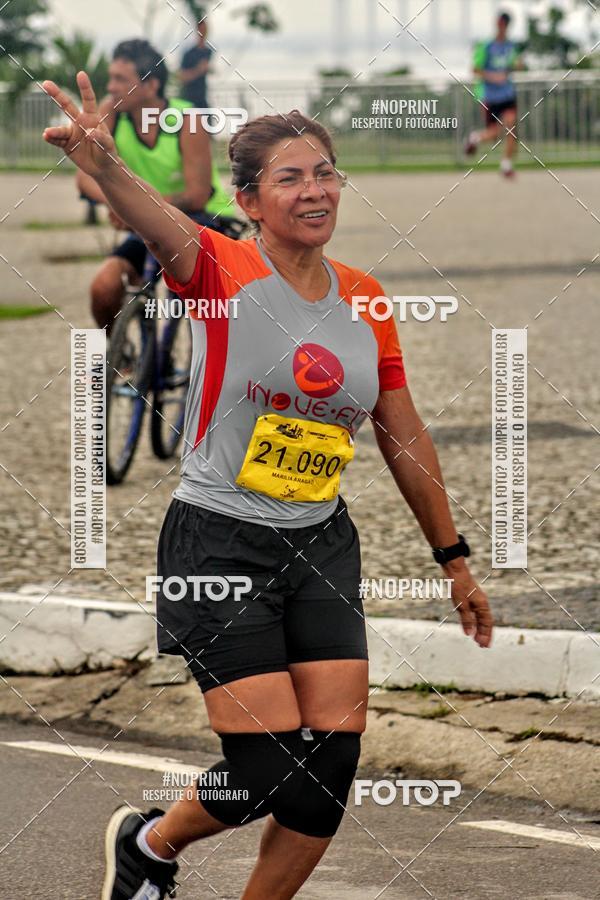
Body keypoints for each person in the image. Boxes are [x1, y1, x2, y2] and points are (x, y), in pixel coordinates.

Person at [43, 71, 494, 900]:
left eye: (325, 173)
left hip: (321, 543)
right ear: (249, 201)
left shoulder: (367, 299)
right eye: (291, 178)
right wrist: (103, 163)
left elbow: (403, 434)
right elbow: (155, 216)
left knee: (327, 774)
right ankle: (150, 843)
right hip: (219, 541)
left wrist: (454, 559)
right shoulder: (220, 269)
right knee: (267, 767)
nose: (315, 190)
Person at [76, 39, 235, 332]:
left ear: (151, 85)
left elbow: (197, 196)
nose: (110, 87)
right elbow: (85, 177)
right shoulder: (112, 114)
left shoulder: (187, 120)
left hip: (202, 221)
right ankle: (116, 354)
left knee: (207, 307)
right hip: (146, 221)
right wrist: (121, 205)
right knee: (103, 288)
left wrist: (135, 208)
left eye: (121, 80)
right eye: (111, 78)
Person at [464, 11, 524, 178]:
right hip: (490, 95)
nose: (502, 27)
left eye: (505, 24)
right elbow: (475, 69)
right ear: (497, 24)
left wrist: (518, 64)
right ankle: (475, 138)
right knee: (494, 134)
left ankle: (506, 165)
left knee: (511, 125)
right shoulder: (486, 46)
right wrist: (493, 77)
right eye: (500, 23)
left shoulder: (511, 46)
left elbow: (515, 64)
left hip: (507, 94)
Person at [178, 18, 212, 111]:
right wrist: (198, 70)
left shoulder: (208, 52)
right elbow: (182, 77)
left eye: (205, 30)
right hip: (189, 100)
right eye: (202, 30)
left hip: (202, 100)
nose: (203, 33)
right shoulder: (189, 54)